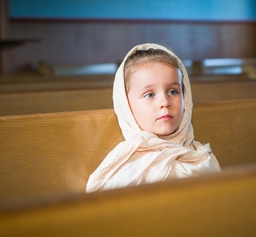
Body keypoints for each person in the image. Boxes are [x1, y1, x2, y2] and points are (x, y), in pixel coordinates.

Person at [86, 43, 221, 192]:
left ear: (185, 98)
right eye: (149, 95)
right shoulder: (128, 169)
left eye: (173, 92)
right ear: (126, 106)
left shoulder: (202, 156)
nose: (165, 102)